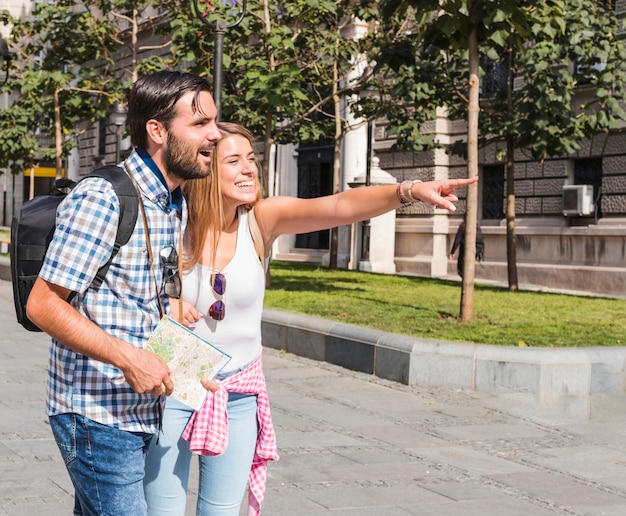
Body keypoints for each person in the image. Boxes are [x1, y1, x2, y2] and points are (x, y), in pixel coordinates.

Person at [143, 122, 479, 515]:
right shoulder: (171, 222)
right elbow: (142, 293)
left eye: (251, 159)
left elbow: (338, 206)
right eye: (233, 161)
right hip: (176, 378)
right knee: (159, 510)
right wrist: (169, 306)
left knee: (220, 511)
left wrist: (408, 191)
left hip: (239, 388)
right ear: (205, 169)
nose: (249, 169)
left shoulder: (261, 221)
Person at [25, 71, 222, 516]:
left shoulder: (172, 201)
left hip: (137, 413)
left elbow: (139, 303)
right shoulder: (104, 197)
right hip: (95, 415)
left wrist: (189, 369)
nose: (215, 134)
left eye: (214, 121)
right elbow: (43, 304)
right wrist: (130, 359)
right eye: (200, 123)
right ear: (157, 130)